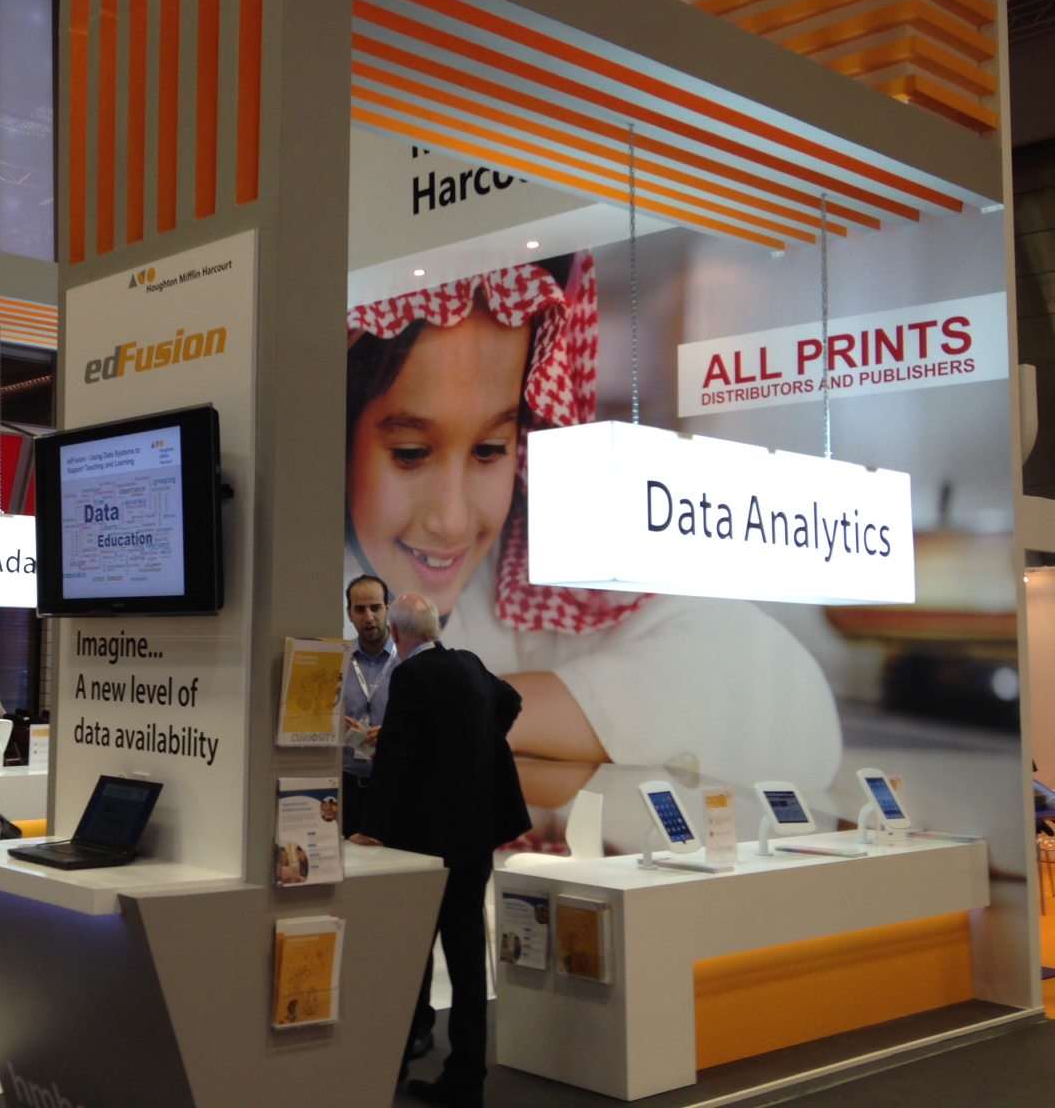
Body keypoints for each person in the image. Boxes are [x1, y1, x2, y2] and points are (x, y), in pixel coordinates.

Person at [345, 253, 840, 790]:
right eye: (411, 454)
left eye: (489, 450)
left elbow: (793, 707)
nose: (451, 519)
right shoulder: (310, 586)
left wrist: (474, 713)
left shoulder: (524, 574)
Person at [351, 594, 528, 1108]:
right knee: (467, 956)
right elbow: (510, 701)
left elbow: (397, 757)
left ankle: (392, 1065)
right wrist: (475, 746)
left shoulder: (411, 675)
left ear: (397, 632)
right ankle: (467, 1078)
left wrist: (371, 829)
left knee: (409, 954)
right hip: (476, 836)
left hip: (428, 843)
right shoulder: (469, 663)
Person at [340, 574, 396, 840]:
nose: (369, 617)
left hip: (394, 786)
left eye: (376, 608)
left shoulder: (409, 661)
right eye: (360, 609)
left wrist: (395, 732)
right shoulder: (338, 660)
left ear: (388, 608)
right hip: (347, 785)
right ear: (349, 614)